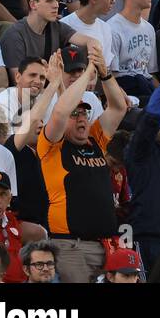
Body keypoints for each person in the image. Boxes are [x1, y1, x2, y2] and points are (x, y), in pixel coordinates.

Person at [36, 46, 128, 283]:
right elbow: (59, 112)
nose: (81, 119)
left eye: (84, 114)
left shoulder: (96, 139)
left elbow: (119, 107)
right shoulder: (51, 145)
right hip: (70, 247)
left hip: (106, 244)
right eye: (75, 115)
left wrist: (105, 74)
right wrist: (88, 72)